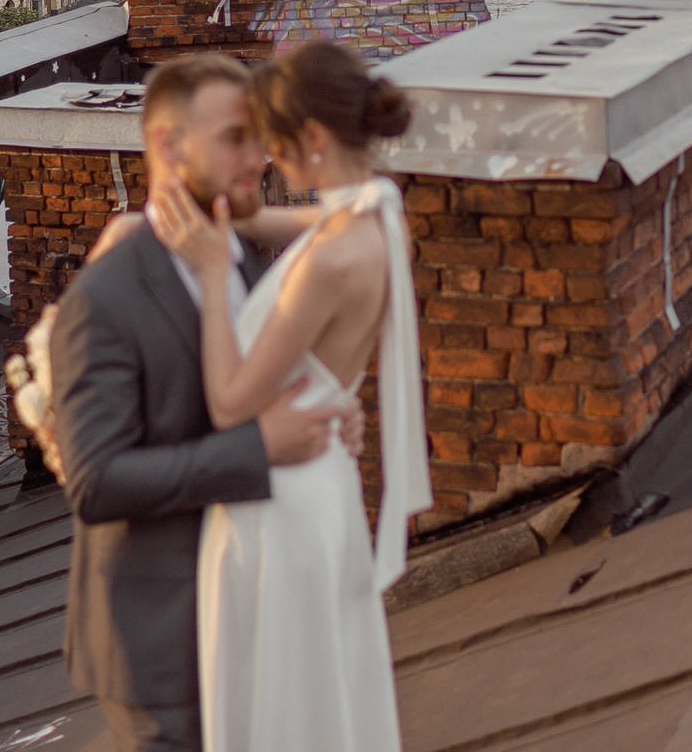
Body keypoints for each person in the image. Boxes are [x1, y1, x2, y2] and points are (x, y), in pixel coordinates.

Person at [36, 54, 363, 752]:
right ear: (165, 144)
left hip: (251, 611)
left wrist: (322, 412)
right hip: (165, 643)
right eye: (236, 137)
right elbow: (97, 481)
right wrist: (262, 447)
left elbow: (243, 385)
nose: (260, 155)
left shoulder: (234, 248)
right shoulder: (106, 296)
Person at [150, 40, 431, 752]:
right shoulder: (373, 217)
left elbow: (233, 402)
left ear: (311, 138)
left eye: (274, 144)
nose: (267, 161)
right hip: (324, 493)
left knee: (280, 710)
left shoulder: (331, 261)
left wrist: (214, 276)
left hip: (277, 506)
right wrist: (205, 204)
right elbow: (271, 224)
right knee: (321, 700)